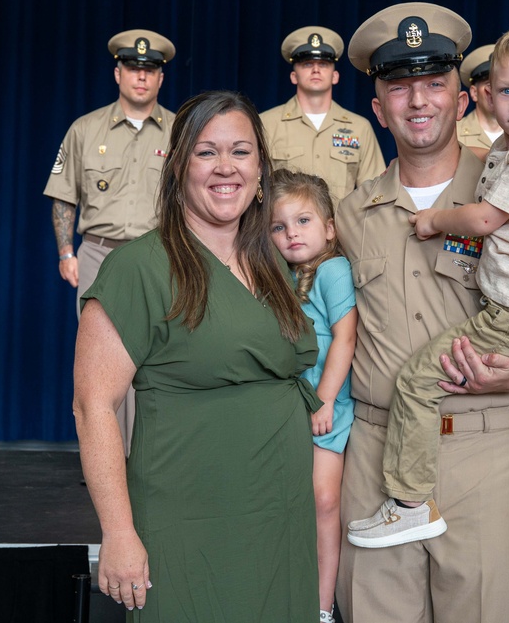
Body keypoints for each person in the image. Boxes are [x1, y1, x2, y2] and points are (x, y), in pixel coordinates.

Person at [335, 2, 509, 622]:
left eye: (435, 84)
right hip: (377, 461)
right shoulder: (348, 214)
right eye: (400, 89)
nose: (419, 102)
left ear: (463, 99)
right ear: (378, 109)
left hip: (486, 454)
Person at [73, 91, 322, 621]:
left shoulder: (274, 261)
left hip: (279, 513)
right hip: (187, 517)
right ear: (178, 167)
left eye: (241, 151)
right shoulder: (138, 268)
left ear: (260, 168)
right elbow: (93, 406)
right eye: (206, 152)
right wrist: (118, 533)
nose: (225, 167)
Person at [44, 29, 176, 455]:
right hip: (98, 253)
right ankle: (105, 458)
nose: (142, 77)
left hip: (159, 256)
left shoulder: (179, 131)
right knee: (99, 363)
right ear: (118, 72)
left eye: (150, 70)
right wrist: (67, 253)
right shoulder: (85, 129)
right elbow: (64, 196)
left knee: (154, 359)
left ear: (160, 78)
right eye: (134, 68)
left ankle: (144, 460)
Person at [269, 170, 358, 623]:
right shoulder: (281, 274)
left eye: (303, 221)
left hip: (326, 406)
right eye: (279, 227)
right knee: (290, 504)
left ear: (329, 228)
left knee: (324, 501)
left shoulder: (333, 269)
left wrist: (323, 399)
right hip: (287, 407)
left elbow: (345, 338)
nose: (292, 234)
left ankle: (322, 607)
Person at [260, 26, 386, 208]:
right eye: (307, 64)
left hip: (341, 232)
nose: (316, 70)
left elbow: (375, 191)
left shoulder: (359, 127)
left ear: (335, 76)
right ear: (294, 76)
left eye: (323, 64)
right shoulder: (267, 124)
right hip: (285, 231)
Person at [457, 44, 502, 152]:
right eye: (489, 85)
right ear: (474, 93)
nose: (495, 92)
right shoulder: (453, 134)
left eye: (503, 86)